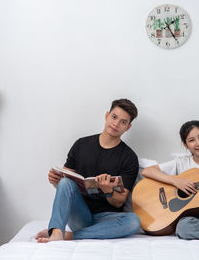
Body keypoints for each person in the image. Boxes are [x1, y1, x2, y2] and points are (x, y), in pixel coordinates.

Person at [36, 99, 141, 242]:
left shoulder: (129, 158)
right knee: (65, 183)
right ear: (106, 116)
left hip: (106, 219)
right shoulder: (81, 144)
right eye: (114, 117)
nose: (116, 123)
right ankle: (56, 232)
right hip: (80, 214)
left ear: (128, 127)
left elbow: (119, 202)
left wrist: (108, 191)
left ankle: (69, 235)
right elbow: (65, 185)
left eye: (123, 122)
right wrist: (55, 181)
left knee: (134, 221)